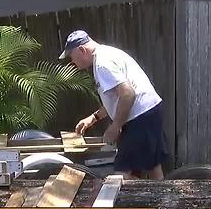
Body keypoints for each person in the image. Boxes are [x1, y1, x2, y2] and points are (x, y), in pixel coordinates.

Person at [59, 30, 169, 180]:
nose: (73, 62)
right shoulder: (107, 53)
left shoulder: (102, 64)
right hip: (150, 111)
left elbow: (127, 94)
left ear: (82, 50)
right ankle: (163, 200)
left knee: (122, 174)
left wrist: (115, 126)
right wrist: (93, 118)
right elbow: (118, 98)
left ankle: (135, 201)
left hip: (139, 118)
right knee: (152, 165)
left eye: (72, 57)